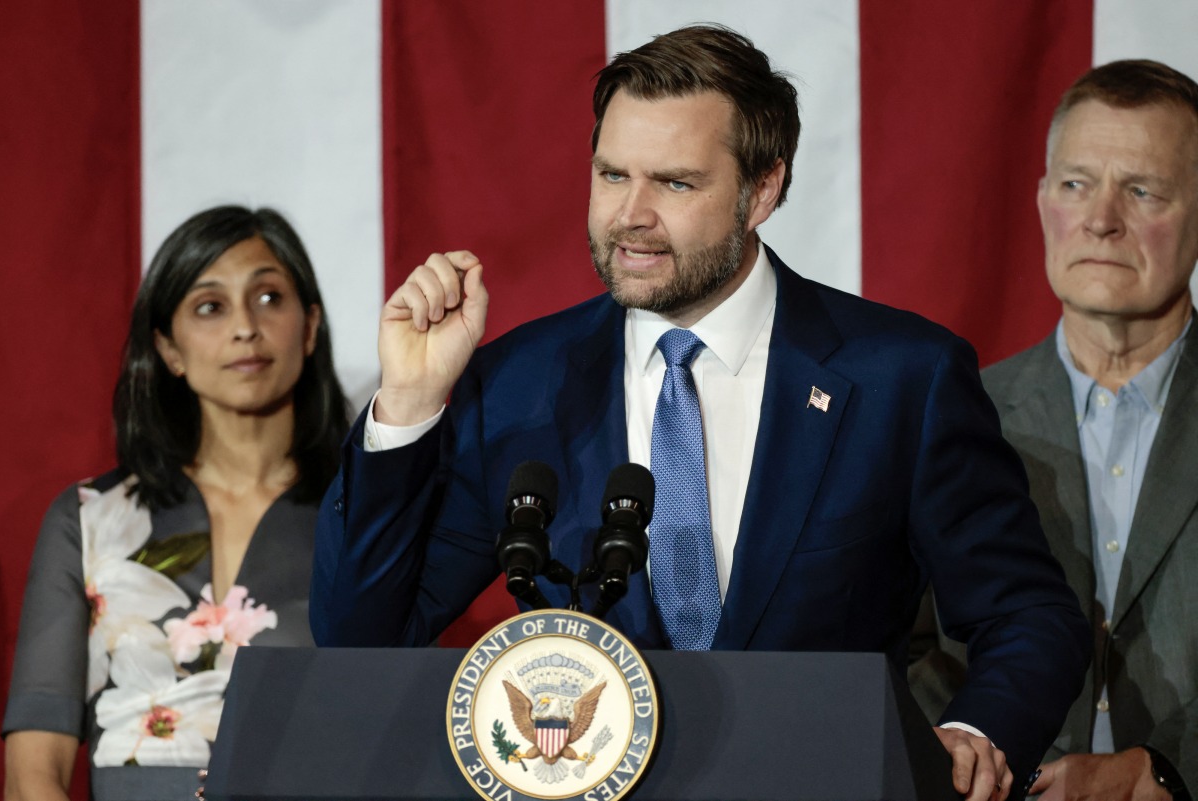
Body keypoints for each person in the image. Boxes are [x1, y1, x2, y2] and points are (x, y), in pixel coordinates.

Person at [310, 25, 1089, 800]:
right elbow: (361, 641)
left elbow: (1025, 610)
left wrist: (979, 733)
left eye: (675, 183)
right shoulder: (517, 382)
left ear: (763, 190)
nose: (630, 215)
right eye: (612, 175)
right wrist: (408, 405)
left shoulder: (899, 377)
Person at [914, 60, 1198, 801]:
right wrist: (976, 756)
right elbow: (905, 649)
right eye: (1076, 184)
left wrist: (1164, 768)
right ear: (1044, 203)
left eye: (1142, 190)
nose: (1102, 218)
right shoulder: (948, 413)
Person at [3, 206, 349, 801]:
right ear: (168, 349)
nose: (246, 326)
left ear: (310, 326)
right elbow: (33, 772)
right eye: (210, 306)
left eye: (268, 297)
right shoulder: (89, 519)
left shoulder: (364, 517)